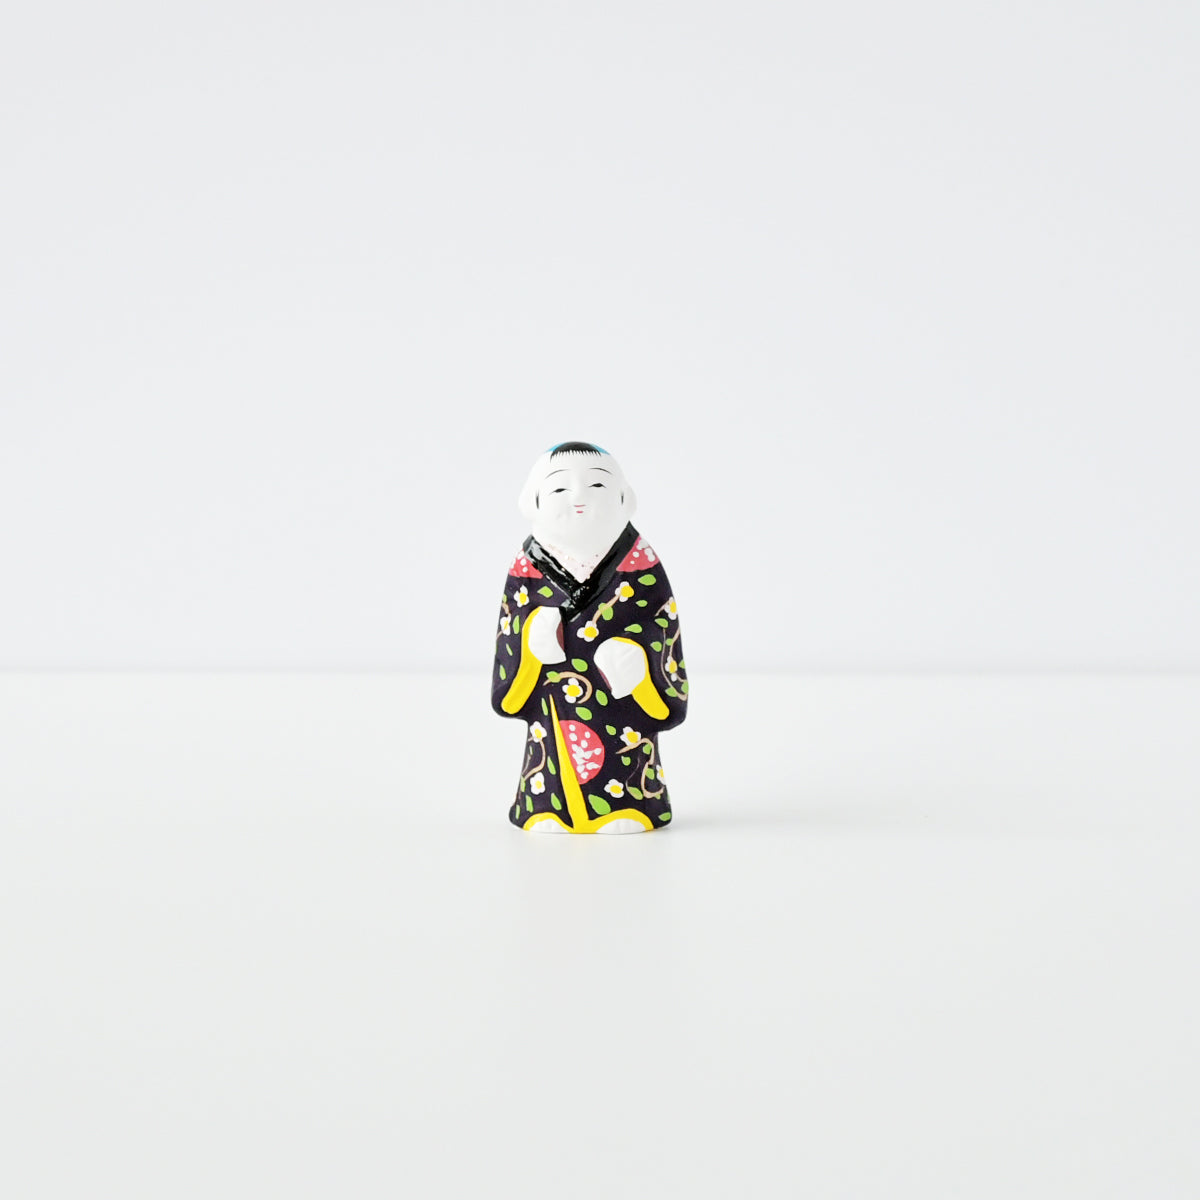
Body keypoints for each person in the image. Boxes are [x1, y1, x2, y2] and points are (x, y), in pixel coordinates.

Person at [491, 441, 688, 833]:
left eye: (597, 485)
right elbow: (510, 632)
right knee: (550, 761)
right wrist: (531, 643)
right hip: (553, 708)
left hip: (620, 710)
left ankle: (630, 806)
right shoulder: (527, 569)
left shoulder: (641, 565)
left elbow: (661, 628)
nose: (578, 498)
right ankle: (546, 807)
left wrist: (638, 661)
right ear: (532, 502)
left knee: (625, 756)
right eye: (559, 488)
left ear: (625, 499)